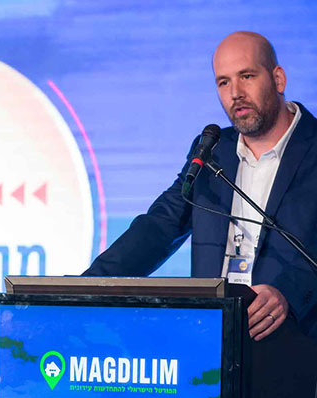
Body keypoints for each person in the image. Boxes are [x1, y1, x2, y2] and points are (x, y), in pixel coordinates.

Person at [84, 31, 317, 342]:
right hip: (213, 341)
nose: (235, 93)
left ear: (278, 78)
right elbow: (159, 227)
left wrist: (288, 291)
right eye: (223, 82)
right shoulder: (212, 150)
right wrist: (86, 286)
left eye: (247, 76)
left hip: (296, 341)